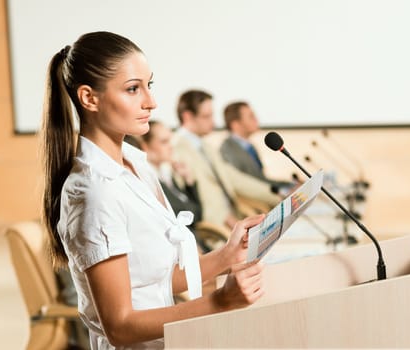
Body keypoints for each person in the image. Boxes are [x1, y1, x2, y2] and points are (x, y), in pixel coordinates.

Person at [41, 31, 265, 349]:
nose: (151, 102)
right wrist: (220, 302)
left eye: (149, 85)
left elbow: (153, 277)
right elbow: (119, 326)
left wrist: (227, 255)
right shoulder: (94, 193)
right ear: (89, 98)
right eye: (133, 89)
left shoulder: (134, 162)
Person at [172, 90, 282, 229]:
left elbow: (235, 179)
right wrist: (226, 220)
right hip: (214, 229)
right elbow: (196, 198)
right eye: (206, 116)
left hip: (232, 220)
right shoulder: (177, 149)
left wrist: (277, 194)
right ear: (188, 116)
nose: (213, 122)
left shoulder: (206, 146)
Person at [220, 101, 295, 195]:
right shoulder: (228, 150)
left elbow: (261, 179)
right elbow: (245, 186)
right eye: (251, 116)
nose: (256, 119)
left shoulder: (250, 146)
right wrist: (285, 190)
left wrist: (290, 185)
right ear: (236, 124)